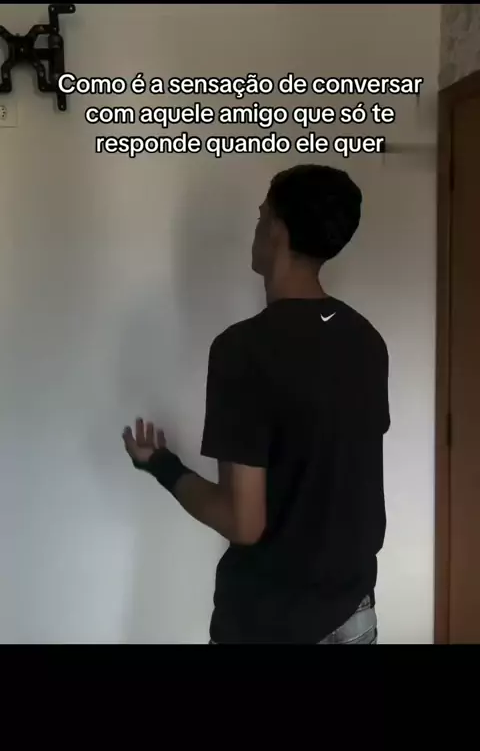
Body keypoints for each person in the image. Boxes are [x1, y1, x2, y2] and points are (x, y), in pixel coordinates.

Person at [122, 163, 390, 644]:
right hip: (354, 615)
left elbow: (243, 522)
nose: (256, 227)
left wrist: (160, 464)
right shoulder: (367, 341)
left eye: (261, 215)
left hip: (268, 623)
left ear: (277, 233)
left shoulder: (243, 350)